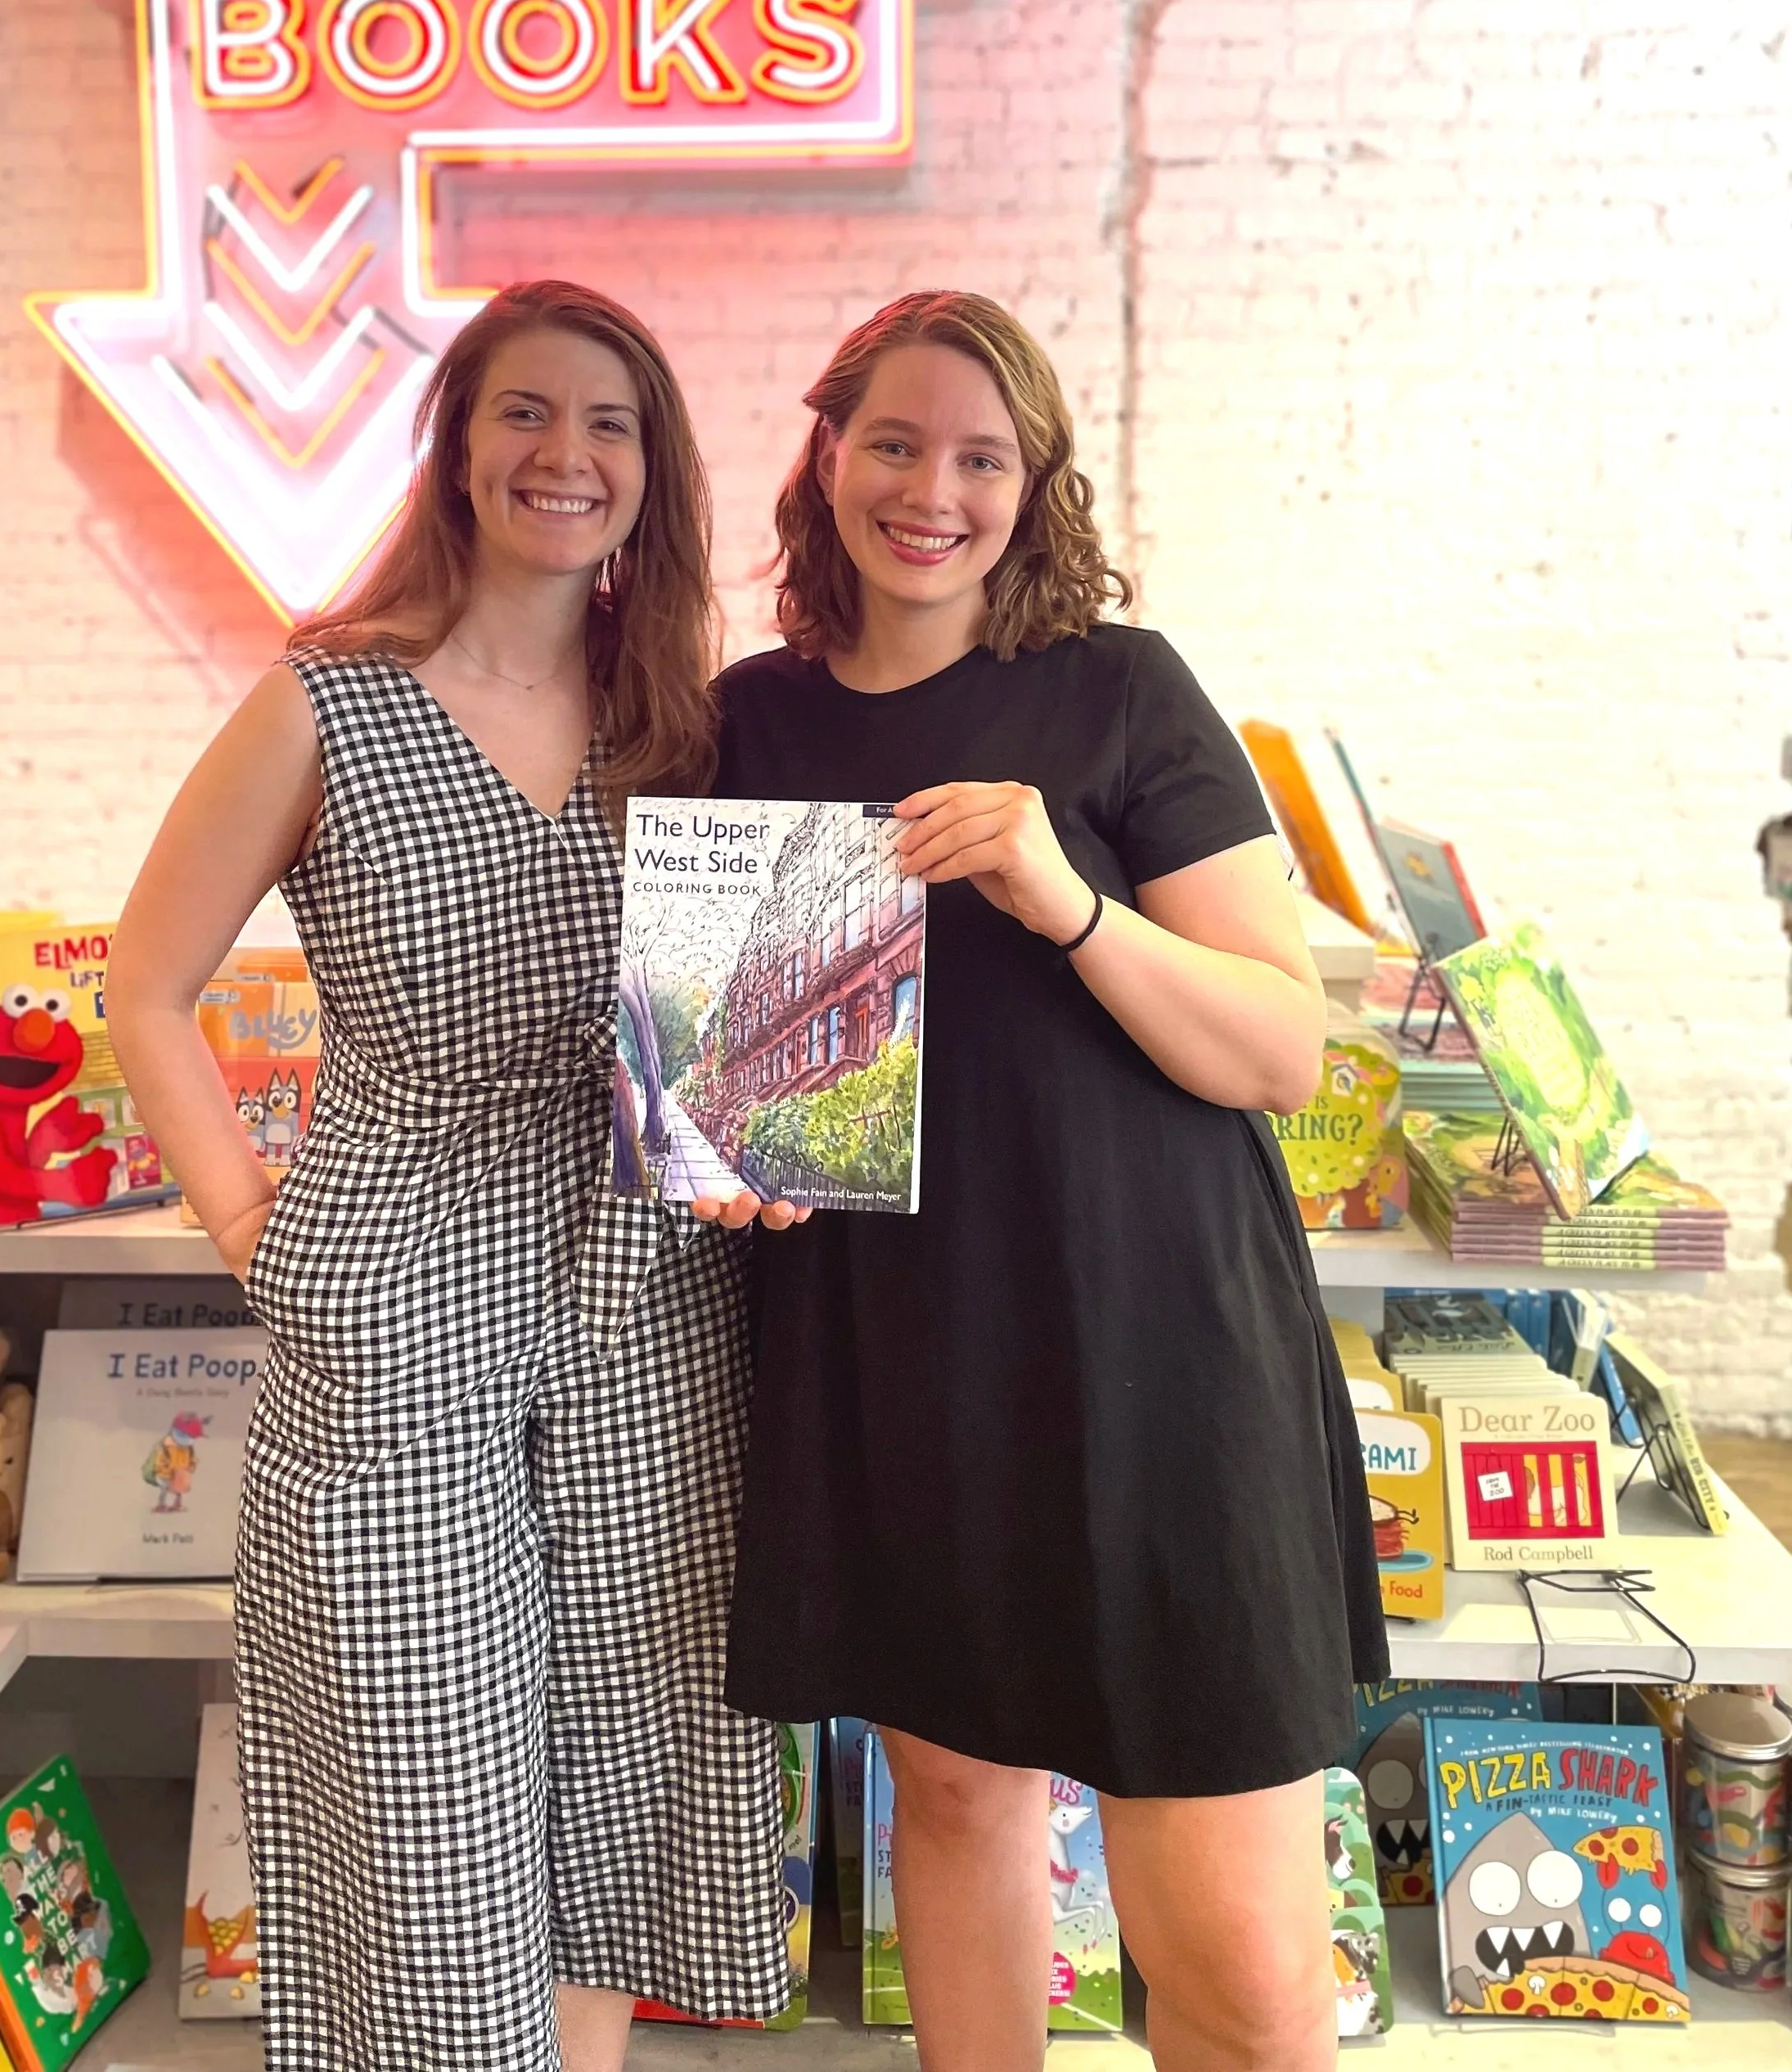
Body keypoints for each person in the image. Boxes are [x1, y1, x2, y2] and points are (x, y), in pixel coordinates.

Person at [700, 290, 1388, 2072]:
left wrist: (1062, 898)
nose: (933, 488)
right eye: (896, 442)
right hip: (900, 1348)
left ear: (1033, 483)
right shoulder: (750, 720)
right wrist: (734, 1159)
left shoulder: (1114, 691)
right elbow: (749, 1074)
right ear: (826, 453)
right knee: (952, 1792)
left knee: (1234, 1966)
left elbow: (1277, 1049)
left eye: (980, 457)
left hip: (1158, 1350)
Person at [107, 281, 790, 2072]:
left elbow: (743, 1030)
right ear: (457, 445)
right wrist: (261, 1234)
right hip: (394, 1304)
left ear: (654, 470)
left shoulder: (684, 728)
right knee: (423, 1793)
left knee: (625, 1759)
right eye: (524, 413)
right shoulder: (324, 704)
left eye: (610, 424)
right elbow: (147, 988)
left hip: (647, 1309)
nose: (565, 456)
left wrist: (778, 1129)